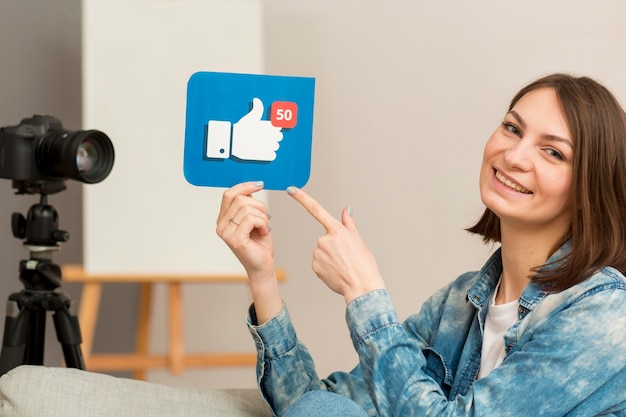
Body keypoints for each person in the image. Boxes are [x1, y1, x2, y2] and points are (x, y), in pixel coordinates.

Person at [216, 73, 626, 417]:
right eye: (512, 128)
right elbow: (307, 403)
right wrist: (262, 276)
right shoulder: (458, 304)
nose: (515, 155)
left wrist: (364, 293)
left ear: (590, 187)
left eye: (553, 152)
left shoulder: (608, 313)